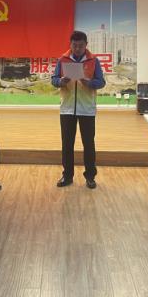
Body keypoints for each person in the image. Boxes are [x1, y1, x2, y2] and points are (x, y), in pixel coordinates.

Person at [51, 31, 106, 189]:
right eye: (74, 45)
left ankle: (90, 177)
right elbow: (54, 79)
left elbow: (101, 82)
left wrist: (90, 83)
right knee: (67, 144)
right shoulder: (62, 59)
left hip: (87, 109)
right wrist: (61, 81)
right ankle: (67, 176)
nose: (77, 48)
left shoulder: (93, 60)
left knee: (88, 144)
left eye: (80, 46)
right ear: (70, 44)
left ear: (86, 45)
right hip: (67, 109)